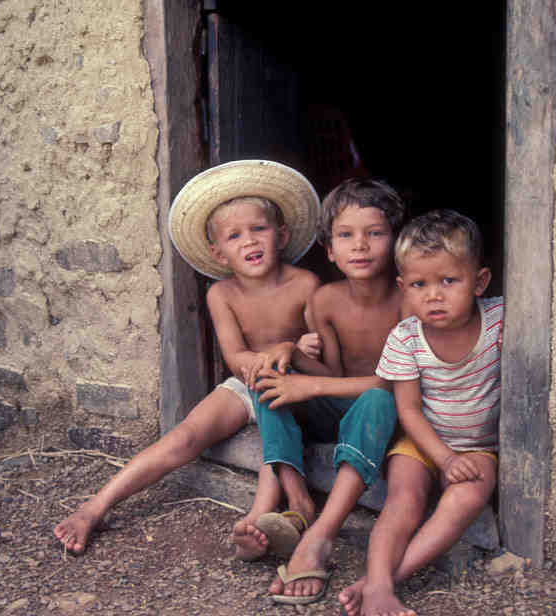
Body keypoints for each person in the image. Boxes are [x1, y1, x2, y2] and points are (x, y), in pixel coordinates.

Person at [53, 160, 323, 561]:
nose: (249, 241)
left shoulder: (307, 285)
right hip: (244, 381)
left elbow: (321, 355)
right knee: (183, 438)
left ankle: (256, 519)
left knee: (275, 430)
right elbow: (235, 358)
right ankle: (95, 506)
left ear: (281, 235)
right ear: (218, 252)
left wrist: (303, 347)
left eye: (259, 229)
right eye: (234, 236)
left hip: (293, 386)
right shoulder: (222, 295)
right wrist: (268, 355)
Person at [249, 178, 408, 605]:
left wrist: (310, 383)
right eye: (346, 235)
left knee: (377, 398)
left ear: (395, 242)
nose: (360, 246)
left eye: (374, 233)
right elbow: (333, 371)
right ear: (330, 250)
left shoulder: (407, 298)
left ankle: (322, 534)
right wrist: (288, 353)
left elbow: (394, 384)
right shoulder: (325, 300)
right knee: (268, 376)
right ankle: (297, 496)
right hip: (344, 409)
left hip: (391, 416)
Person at [339, 209, 503, 616]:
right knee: (404, 499)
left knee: (467, 496)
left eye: (449, 281)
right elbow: (408, 410)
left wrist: (460, 459)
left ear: (479, 281)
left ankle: (386, 582)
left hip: (478, 446)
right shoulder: (406, 338)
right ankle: (377, 582)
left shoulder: (500, 320)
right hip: (421, 439)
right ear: (403, 289)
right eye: (419, 284)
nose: (434, 294)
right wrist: (444, 458)